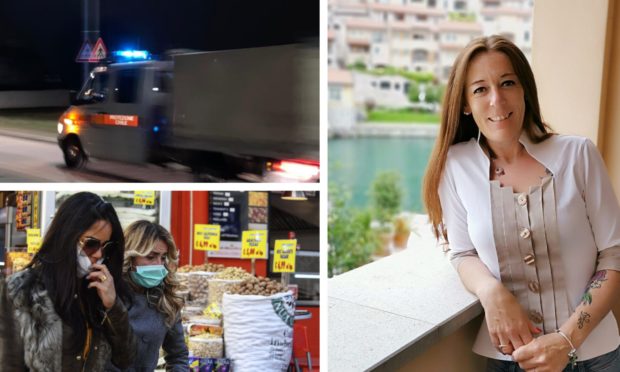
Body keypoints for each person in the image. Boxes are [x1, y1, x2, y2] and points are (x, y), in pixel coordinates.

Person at [423, 35, 620, 371]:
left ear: (524, 89)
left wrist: (567, 340)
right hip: (510, 360)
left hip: (593, 357)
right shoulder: (455, 165)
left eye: (507, 83)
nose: (497, 99)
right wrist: (490, 291)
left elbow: (613, 253)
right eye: (480, 89)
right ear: (465, 104)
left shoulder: (578, 155)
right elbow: (461, 252)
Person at [0, 192, 136, 371]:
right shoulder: (21, 290)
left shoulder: (100, 290)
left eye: (107, 246)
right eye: (91, 244)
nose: (98, 255)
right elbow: (9, 364)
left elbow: (126, 359)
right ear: (65, 238)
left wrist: (112, 306)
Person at [106, 220, 188, 371]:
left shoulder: (166, 299)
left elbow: (178, 356)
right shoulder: (108, 293)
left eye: (163, 258)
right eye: (151, 257)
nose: (158, 264)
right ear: (130, 257)